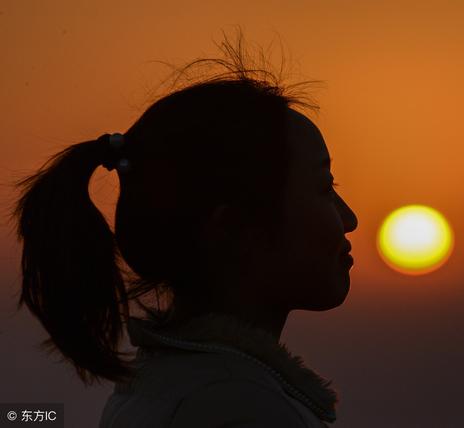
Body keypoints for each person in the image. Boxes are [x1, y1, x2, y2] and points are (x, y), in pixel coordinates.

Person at [10, 34, 358, 427]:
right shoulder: (238, 409)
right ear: (235, 233)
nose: (349, 219)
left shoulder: (162, 384)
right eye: (324, 187)